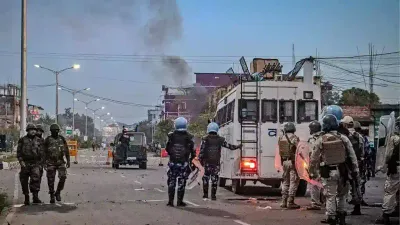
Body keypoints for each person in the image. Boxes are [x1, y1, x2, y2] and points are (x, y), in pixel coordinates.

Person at [309, 114, 359, 225]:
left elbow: (314, 158)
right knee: (342, 195)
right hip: (343, 171)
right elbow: (352, 156)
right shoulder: (343, 138)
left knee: (330, 195)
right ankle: (341, 216)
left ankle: (331, 217)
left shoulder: (320, 139)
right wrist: (355, 170)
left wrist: (312, 171)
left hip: (328, 171)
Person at [199, 122, 242, 200]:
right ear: (216, 129)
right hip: (216, 163)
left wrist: (201, 161)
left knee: (205, 178)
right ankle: (213, 196)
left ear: (208, 129)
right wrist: (238, 146)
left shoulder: (205, 139)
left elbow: (201, 151)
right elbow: (230, 147)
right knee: (214, 179)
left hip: (207, 162)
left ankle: (205, 195)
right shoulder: (220, 139)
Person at [165, 117, 195, 207]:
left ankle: (170, 202)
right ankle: (179, 202)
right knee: (182, 182)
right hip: (183, 163)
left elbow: (167, 148)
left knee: (172, 182)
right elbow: (193, 152)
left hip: (173, 163)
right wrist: (192, 162)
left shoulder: (171, 136)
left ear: (175, 125)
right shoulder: (189, 137)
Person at [375, 116, 400, 225]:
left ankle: (386, 215)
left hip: (396, 168)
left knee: (390, 191)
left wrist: (383, 167)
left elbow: (388, 155)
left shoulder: (394, 138)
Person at [341, 116, 364, 215]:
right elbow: (363, 151)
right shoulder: (359, 136)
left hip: (346, 164)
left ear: (345, 124)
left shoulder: (343, 136)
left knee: (343, 186)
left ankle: (341, 209)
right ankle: (357, 207)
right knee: (356, 185)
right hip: (357, 163)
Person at [17, 124, 43, 205]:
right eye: (31, 129)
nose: (33, 131)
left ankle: (35, 197)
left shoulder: (39, 140)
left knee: (35, 180)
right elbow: (19, 152)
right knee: (23, 180)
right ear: (27, 130)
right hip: (25, 163)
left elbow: (42, 153)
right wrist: (21, 161)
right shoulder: (22, 140)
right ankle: (26, 197)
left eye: (34, 130)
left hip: (35, 163)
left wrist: (40, 164)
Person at [44, 124, 70, 203]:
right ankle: (52, 194)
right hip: (50, 162)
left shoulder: (62, 139)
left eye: (57, 130)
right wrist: (44, 163)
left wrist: (68, 160)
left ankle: (58, 192)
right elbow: (43, 152)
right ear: (51, 131)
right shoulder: (48, 140)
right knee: (50, 180)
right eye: (54, 130)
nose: (56, 131)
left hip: (60, 161)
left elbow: (66, 150)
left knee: (63, 177)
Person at [278, 122, 301, 209]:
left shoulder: (281, 138)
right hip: (292, 162)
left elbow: (280, 151)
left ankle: (283, 201)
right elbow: (299, 149)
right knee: (293, 182)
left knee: (285, 182)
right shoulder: (294, 138)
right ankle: (290, 201)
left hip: (284, 162)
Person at [306, 120, 323, 210]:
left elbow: (311, 153)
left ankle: (315, 203)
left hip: (315, 164)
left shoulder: (312, 139)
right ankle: (325, 202)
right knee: (324, 183)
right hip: (325, 163)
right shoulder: (324, 137)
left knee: (314, 183)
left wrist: (310, 167)